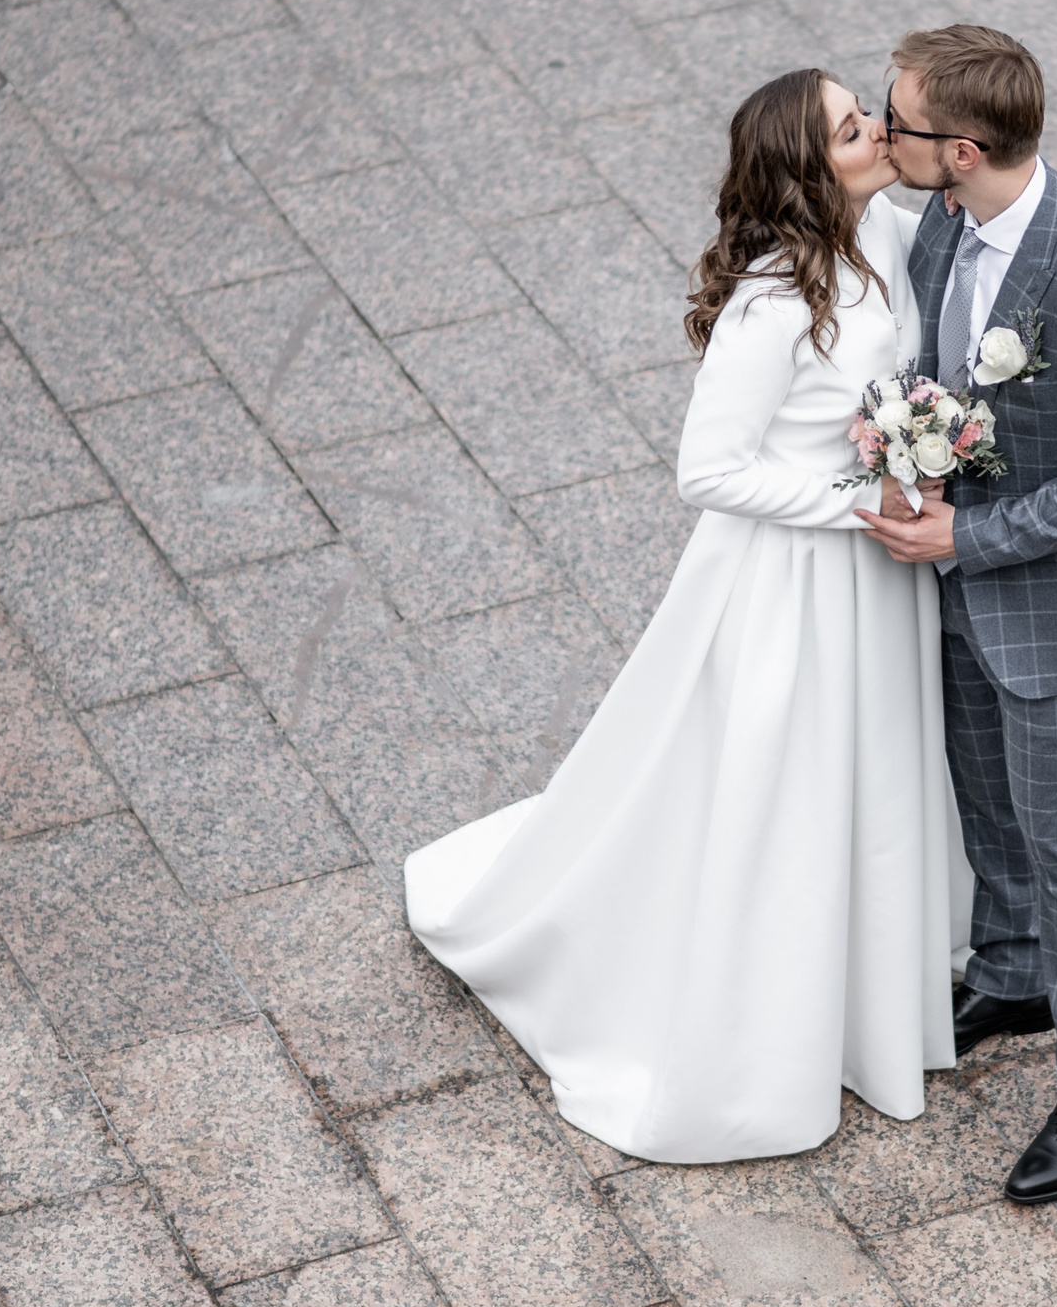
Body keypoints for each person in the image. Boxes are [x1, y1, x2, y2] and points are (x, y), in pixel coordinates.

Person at [404, 69, 967, 1164]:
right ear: (813, 170)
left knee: (878, 765)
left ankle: (873, 978)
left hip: (879, 574)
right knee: (778, 778)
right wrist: (858, 505)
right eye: (855, 131)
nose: (878, 135)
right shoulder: (770, 304)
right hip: (795, 580)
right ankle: (756, 1009)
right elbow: (706, 471)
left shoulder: (891, 230)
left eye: (868, 117)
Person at [857, 25, 1057, 1205]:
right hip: (960, 574)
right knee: (980, 790)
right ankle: (1014, 970)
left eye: (895, 121)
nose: (882, 133)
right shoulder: (946, 219)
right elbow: (945, 373)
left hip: (1049, 602)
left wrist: (967, 537)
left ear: (964, 146)